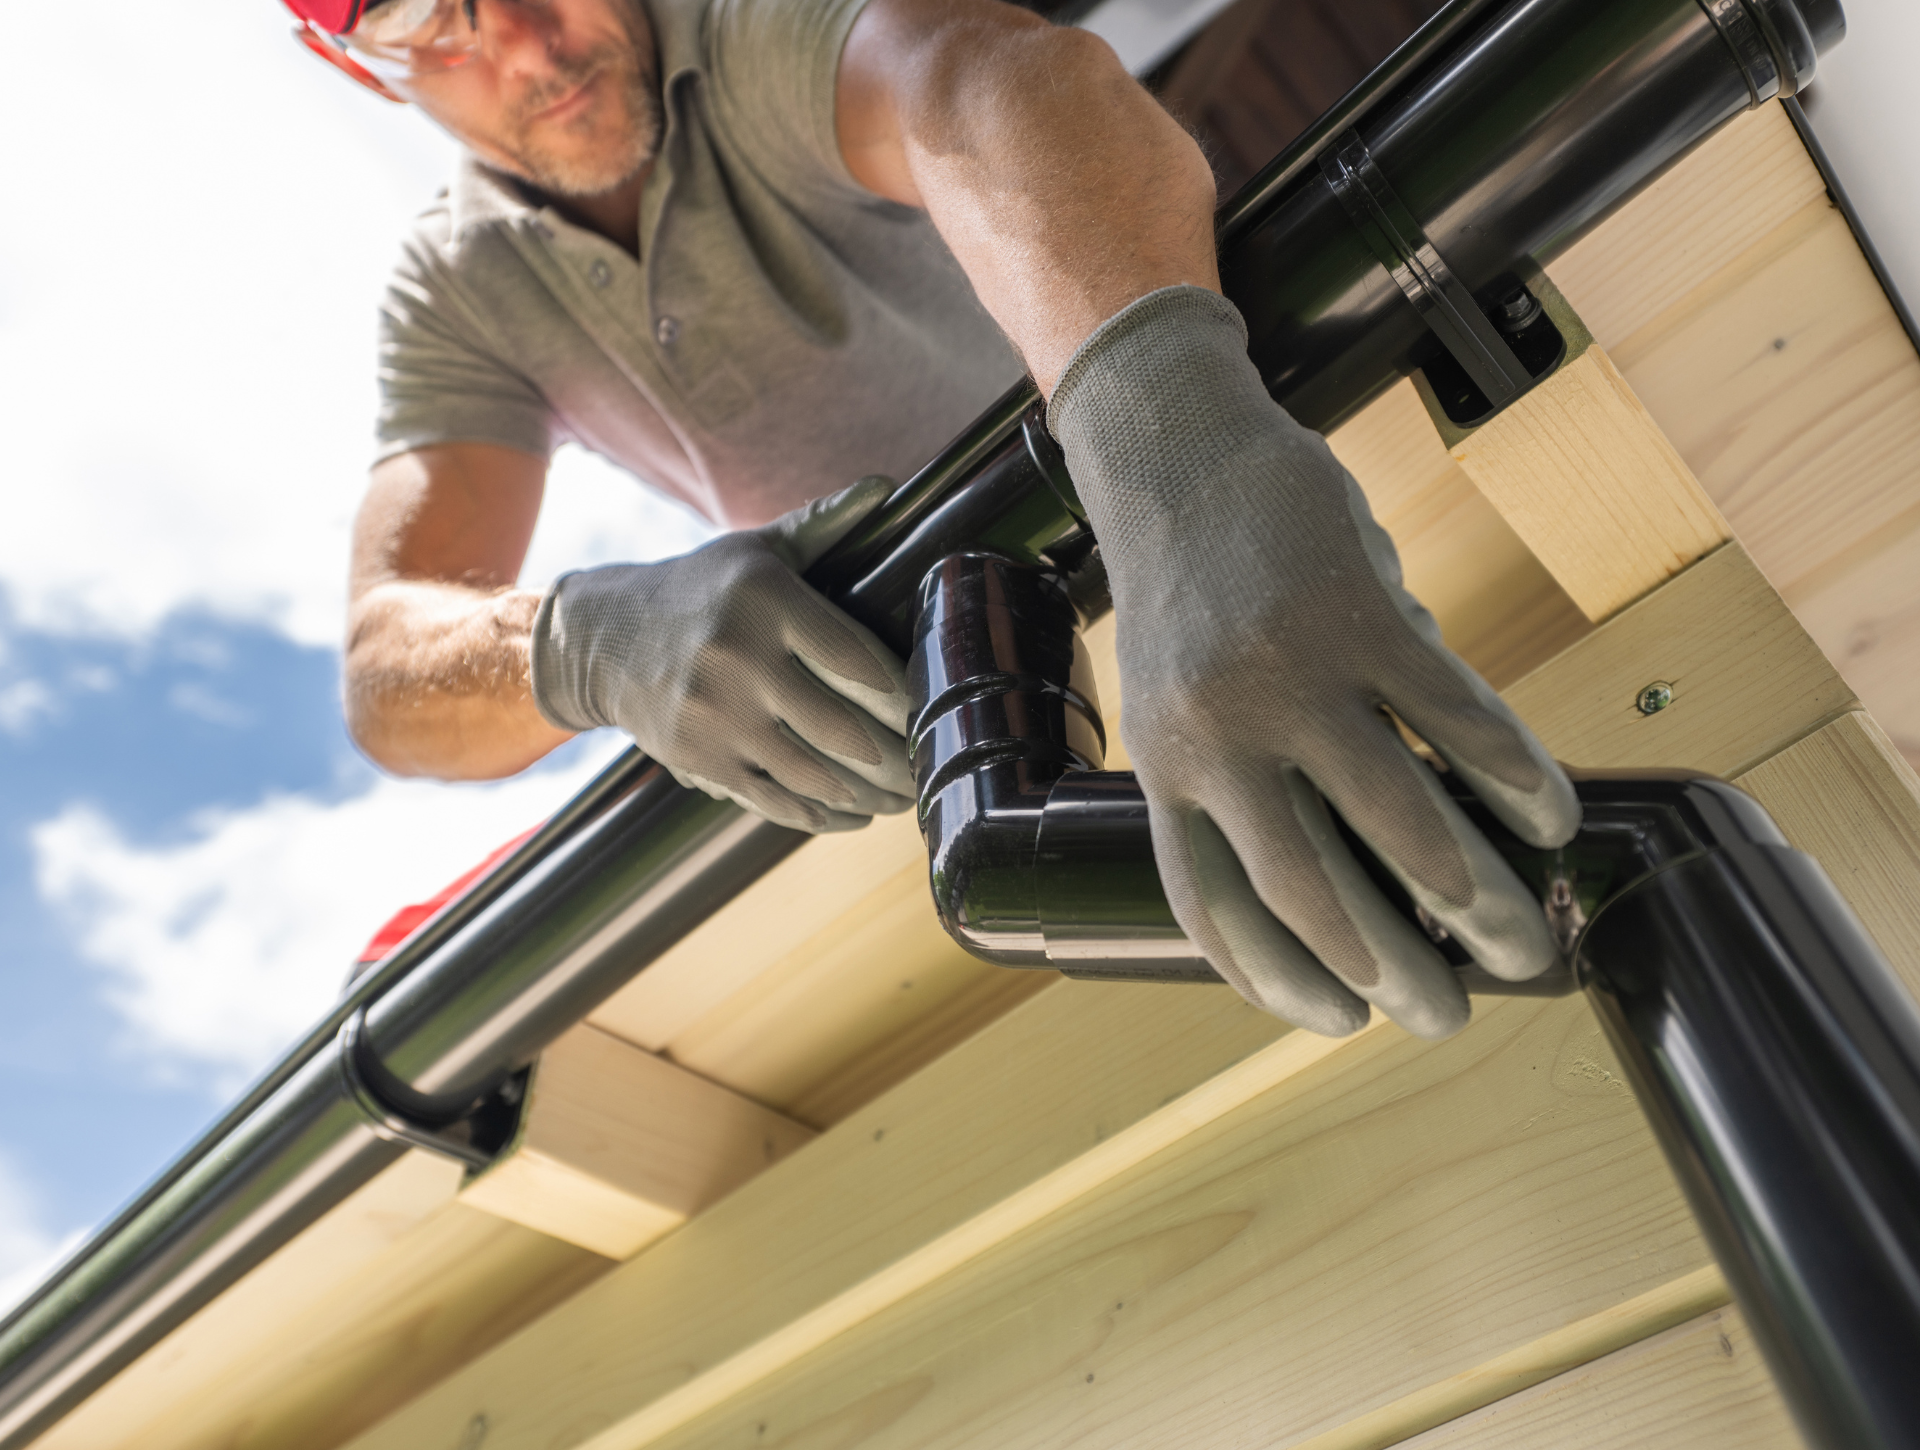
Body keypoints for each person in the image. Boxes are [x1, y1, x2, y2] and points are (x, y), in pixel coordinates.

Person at [288, 0, 1581, 1039]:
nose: (524, 41)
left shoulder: (733, 27)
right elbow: (387, 664)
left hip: (1212, 520)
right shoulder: (456, 289)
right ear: (360, 70)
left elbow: (980, 83)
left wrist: (1168, 441)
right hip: (934, 688)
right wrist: (581, 639)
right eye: (427, 25)